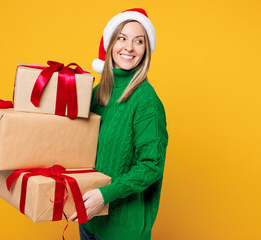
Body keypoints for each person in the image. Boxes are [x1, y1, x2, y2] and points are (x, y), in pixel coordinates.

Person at [68, 8, 168, 240]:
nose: (129, 47)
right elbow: (77, 144)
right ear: (110, 44)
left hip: (123, 230)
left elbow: (151, 165)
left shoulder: (146, 101)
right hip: (89, 220)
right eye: (122, 38)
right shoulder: (97, 94)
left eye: (139, 41)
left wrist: (105, 195)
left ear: (146, 51)